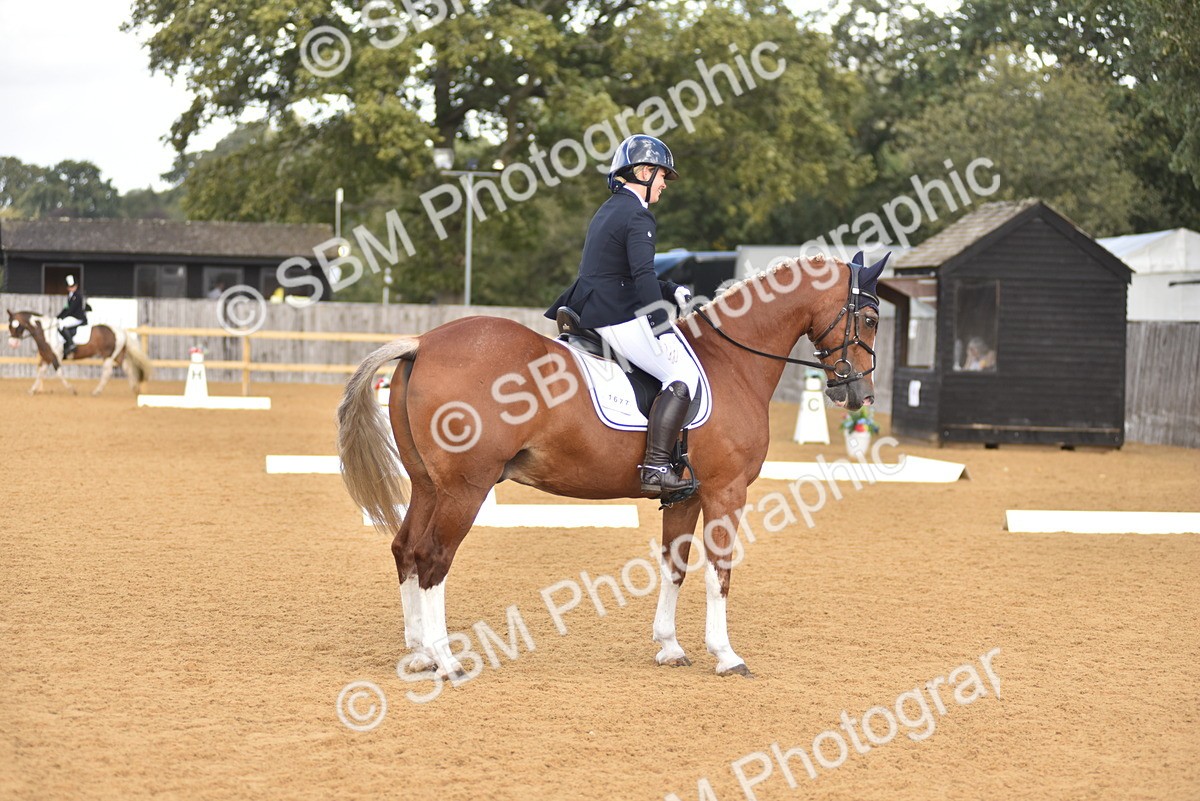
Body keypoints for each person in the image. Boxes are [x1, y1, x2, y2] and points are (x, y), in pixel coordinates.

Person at [544, 134, 700, 499]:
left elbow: (624, 270)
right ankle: (657, 467)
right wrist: (661, 324)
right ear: (644, 172)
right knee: (682, 373)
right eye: (662, 175)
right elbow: (641, 276)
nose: (664, 183)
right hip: (614, 313)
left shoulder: (611, 208)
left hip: (590, 303)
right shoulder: (638, 214)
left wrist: (670, 289)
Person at [57, 275, 87, 357]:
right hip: (72, 317)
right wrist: (58, 317)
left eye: (73, 286)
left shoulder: (77, 295)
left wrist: (62, 318)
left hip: (78, 318)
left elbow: (71, 309)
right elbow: (66, 308)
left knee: (62, 324)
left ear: (76, 286)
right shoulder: (70, 296)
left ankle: (71, 344)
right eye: (70, 287)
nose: (72, 288)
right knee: (59, 322)